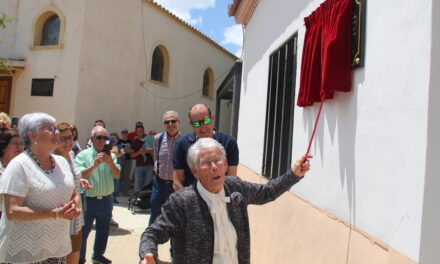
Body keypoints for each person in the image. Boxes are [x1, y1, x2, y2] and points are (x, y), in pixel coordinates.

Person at [139, 138, 311, 264]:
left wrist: (294, 174)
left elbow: (267, 192)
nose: (214, 166)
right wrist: (148, 254)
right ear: (195, 171)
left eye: (217, 160)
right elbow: (152, 234)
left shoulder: (235, 187)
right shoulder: (181, 201)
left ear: (225, 163)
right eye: (206, 163)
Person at [0, 112, 80, 264]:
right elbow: (12, 211)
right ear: (33, 135)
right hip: (25, 252)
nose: (56, 132)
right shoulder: (19, 165)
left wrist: (73, 205)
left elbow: (73, 193)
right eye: (49, 128)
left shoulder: (62, 163)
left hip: (56, 249)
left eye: (55, 127)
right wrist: (55, 213)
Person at [75, 126, 120, 264]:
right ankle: (80, 259)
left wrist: (110, 162)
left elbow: (117, 175)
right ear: (92, 138)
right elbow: (80, 175)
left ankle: (98, 255)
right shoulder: (83, 155)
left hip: (106, 199)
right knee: (84, 231)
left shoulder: (111, 156)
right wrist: (95, 165)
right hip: (89, 199)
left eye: (105, 138)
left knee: (103, 229)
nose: (102, 141)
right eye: (99, 137)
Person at [173, 104, 239, 191]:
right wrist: (189, 202)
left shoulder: (229, 143)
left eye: (206, 121)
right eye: (196, 123)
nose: (202, 127)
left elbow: (231, 180)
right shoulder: (182, 144)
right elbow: (177, 182)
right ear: (190, 124)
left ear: (212, 117)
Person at [149, 111, 181, 226]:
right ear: (164, 124)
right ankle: (151, 242)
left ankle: (175, 244)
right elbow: (155, 157)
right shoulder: (158, 138)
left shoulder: (184, 140)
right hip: (160, 183)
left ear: (179, 122)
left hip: (176, 185)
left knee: (176, 216)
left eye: (173, 121)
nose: (170, 124)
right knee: (155, 213)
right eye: (167, 122)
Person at [0, 128, 25, 219]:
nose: (20, 147)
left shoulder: (24, 167)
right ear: (4, 146)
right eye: (15, 143)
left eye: (22, 143)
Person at [116, 129, 133, 196]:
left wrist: (125, 150)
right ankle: (118, 191)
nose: (124, 134)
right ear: (121, 134)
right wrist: (126, 150)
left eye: (126, 132)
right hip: (120, 159)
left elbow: (130, 150)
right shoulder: (119, 141)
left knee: (127, 176)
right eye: (123, 132)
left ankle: (125, 192)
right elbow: (119, 150)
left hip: (128, 160)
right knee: (120, 175)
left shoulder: (130, 141)